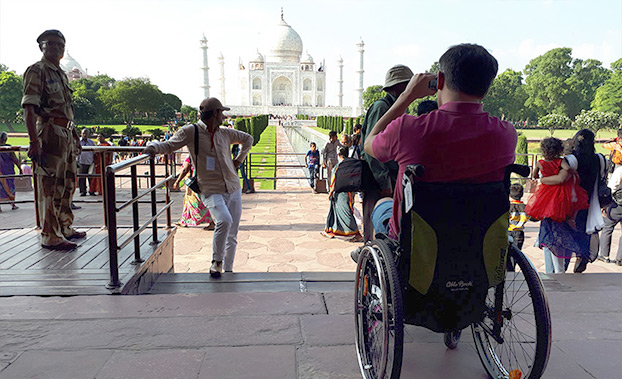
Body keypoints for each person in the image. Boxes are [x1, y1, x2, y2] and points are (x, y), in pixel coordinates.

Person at [365, 44, 517, 241]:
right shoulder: (506, 135)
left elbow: (369, 143)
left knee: (382, 205)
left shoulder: (409, 129)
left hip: (417, 246)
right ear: (486, 90)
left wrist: (407, 96)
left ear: (440, 80)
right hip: (477, 243)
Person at [144, 97, 252, 277]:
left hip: (233, 187)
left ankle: (229, 269)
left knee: (232, 234)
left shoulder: (225, 133)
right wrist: (153, 146)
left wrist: (239, 160)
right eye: (222, 113)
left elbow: (248, 139)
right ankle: (217, 262)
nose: (224, 117)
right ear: (216, 113)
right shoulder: (191, 131)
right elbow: (170, 144)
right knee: (224, 220)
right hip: (210, 188)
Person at [22, 29, 85, 250]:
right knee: (49, 185)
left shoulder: (59, 73)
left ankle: (64, 227)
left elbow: (66, 110)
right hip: (49, 133)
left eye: (60, 45)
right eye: (51, 44)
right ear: (42, 46)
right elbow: (30, 109)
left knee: (67, 184)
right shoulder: (37, 71)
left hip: (65, 134)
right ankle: (50, 234)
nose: (57, 48)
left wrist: (74, 135)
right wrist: (33, 141)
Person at [359, 64, 413, 243]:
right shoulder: (382, 108)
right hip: (379, 181)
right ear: (399, 87)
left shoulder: (395, 108)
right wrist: (384, 182)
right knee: (376, 223)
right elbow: (371, 149)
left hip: (390, 177)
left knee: (389, 225)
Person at [539, 129, 602, 273]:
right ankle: (581, 255)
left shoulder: (570, 160)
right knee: (579, 234)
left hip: (565, 204)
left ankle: (556, 272)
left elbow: (560, 178)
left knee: (555, 239)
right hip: (587, 205)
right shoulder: (599, 159)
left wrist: (542, 180)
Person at [526, 137, 589, 226]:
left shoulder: (540, 163)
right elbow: (567, 168)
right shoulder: (560, 161)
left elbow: (534, 175)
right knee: (562, 207)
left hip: (546, 189)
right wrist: (573, 171)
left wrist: (540, 177)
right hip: (560, 189)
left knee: (547, 206)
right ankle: (571, 220)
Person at [322, 146, 362, 241]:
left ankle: (356, 233)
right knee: (338, 212)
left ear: (338, 154)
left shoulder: (338, 167)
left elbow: (333, 182)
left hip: (339, 194)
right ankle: (331, 230)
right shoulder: (350, 165)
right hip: (348, 192)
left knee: (345, 213)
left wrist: (330, 193)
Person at [173, 156, 215, 229]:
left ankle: (211, 222)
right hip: (198, 180)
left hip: (193, 183)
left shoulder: (191, 156)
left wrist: (177, 182)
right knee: (188, 202)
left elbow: (185, 170)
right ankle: (184, 221)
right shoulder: (202, 154)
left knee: (198, 202)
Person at [597, 163, 622, 266]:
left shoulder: (620, 170)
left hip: (617, 204)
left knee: (608, 227)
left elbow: (611, 187)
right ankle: (620, 259)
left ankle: (604, 255)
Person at [0, 132, 22, 212]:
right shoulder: (9, 148)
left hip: (1, 171)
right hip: (8, 171)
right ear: (5, 139)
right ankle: (13, 204)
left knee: (1, 187)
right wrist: (20, 168)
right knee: (10, 186)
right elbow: (14, 159)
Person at [508, 183, 528, 250]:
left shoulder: (508, 207)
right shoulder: (525, 208)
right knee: (517, 251)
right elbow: (534, 217)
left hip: (508, 231)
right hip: (519, 233)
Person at [78, 129, 95, 196]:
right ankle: (83, 191)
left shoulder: (91, 142)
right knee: (82, 177)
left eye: (86, 133)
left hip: (90, 162)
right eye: (83, 133)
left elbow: (94, 152)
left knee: (91, 177)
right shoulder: (78, 142)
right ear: (81, 134)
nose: (85, 135)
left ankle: (91, 190)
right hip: (81, 162)